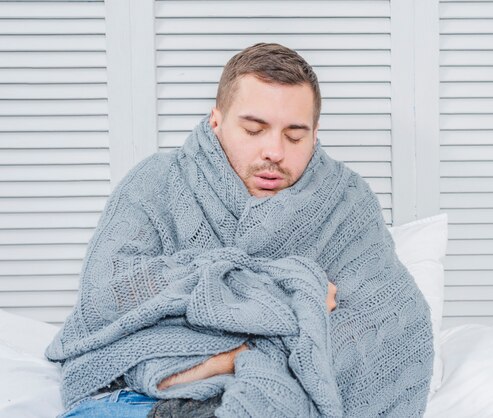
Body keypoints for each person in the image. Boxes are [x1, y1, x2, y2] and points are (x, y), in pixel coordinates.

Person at [47, 43, 433, 418]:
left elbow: (391, 322)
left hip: (280, 400)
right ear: (216, 121)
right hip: (141, 401)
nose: (274, 151)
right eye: (254, 129)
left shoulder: (346, 202)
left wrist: (243, 356)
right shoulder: (156, 182)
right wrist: (288, 292)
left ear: (315, 135)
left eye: (294, 135)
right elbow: (105, 298)